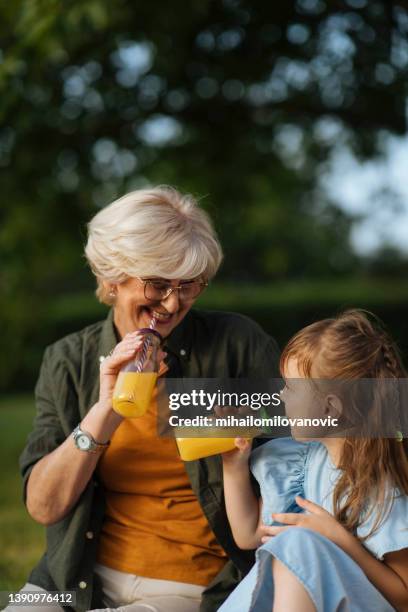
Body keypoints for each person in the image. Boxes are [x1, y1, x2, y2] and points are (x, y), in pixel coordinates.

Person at [11, 186, 280, 612]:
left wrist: (244, 428)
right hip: (73, 582)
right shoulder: (68, 360)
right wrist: (106, 411)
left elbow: (324, 431)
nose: (174, 303)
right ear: (111, 279)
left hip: (186, 585)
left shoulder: (234, 344)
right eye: (157, 284)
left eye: (189, 285)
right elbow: (45, 506)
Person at [219, 310, 408, 612]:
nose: (282, 396)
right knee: (295, 543)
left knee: (298, 544)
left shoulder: (380, 490)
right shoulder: (303, 464)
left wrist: (340, 539)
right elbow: (249, 535)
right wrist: (233, 465)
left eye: (291, 388)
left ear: (330, 408)